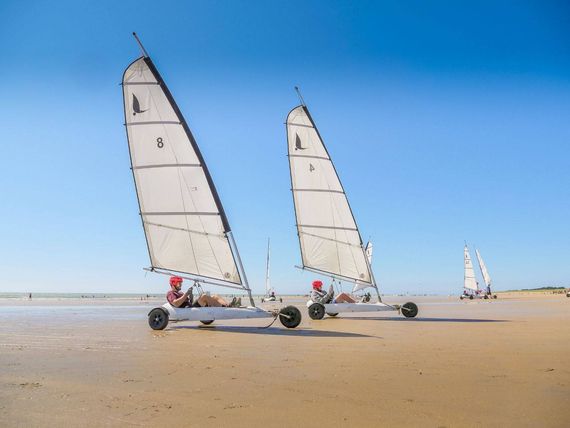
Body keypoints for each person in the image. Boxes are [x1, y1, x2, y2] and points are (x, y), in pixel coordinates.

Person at [166, 276, 240, 308]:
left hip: (191, 306)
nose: (181, 285)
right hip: (189, 309)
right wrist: (186, 294)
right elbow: (176, 304)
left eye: (181, 283)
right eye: (179, 283)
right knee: (204, 296)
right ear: (173, 284)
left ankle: (229, 305)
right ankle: (224, 307)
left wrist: (190, 295)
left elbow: (190, 302)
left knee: (215, 295)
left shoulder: (181, 293)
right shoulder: (170, 293)